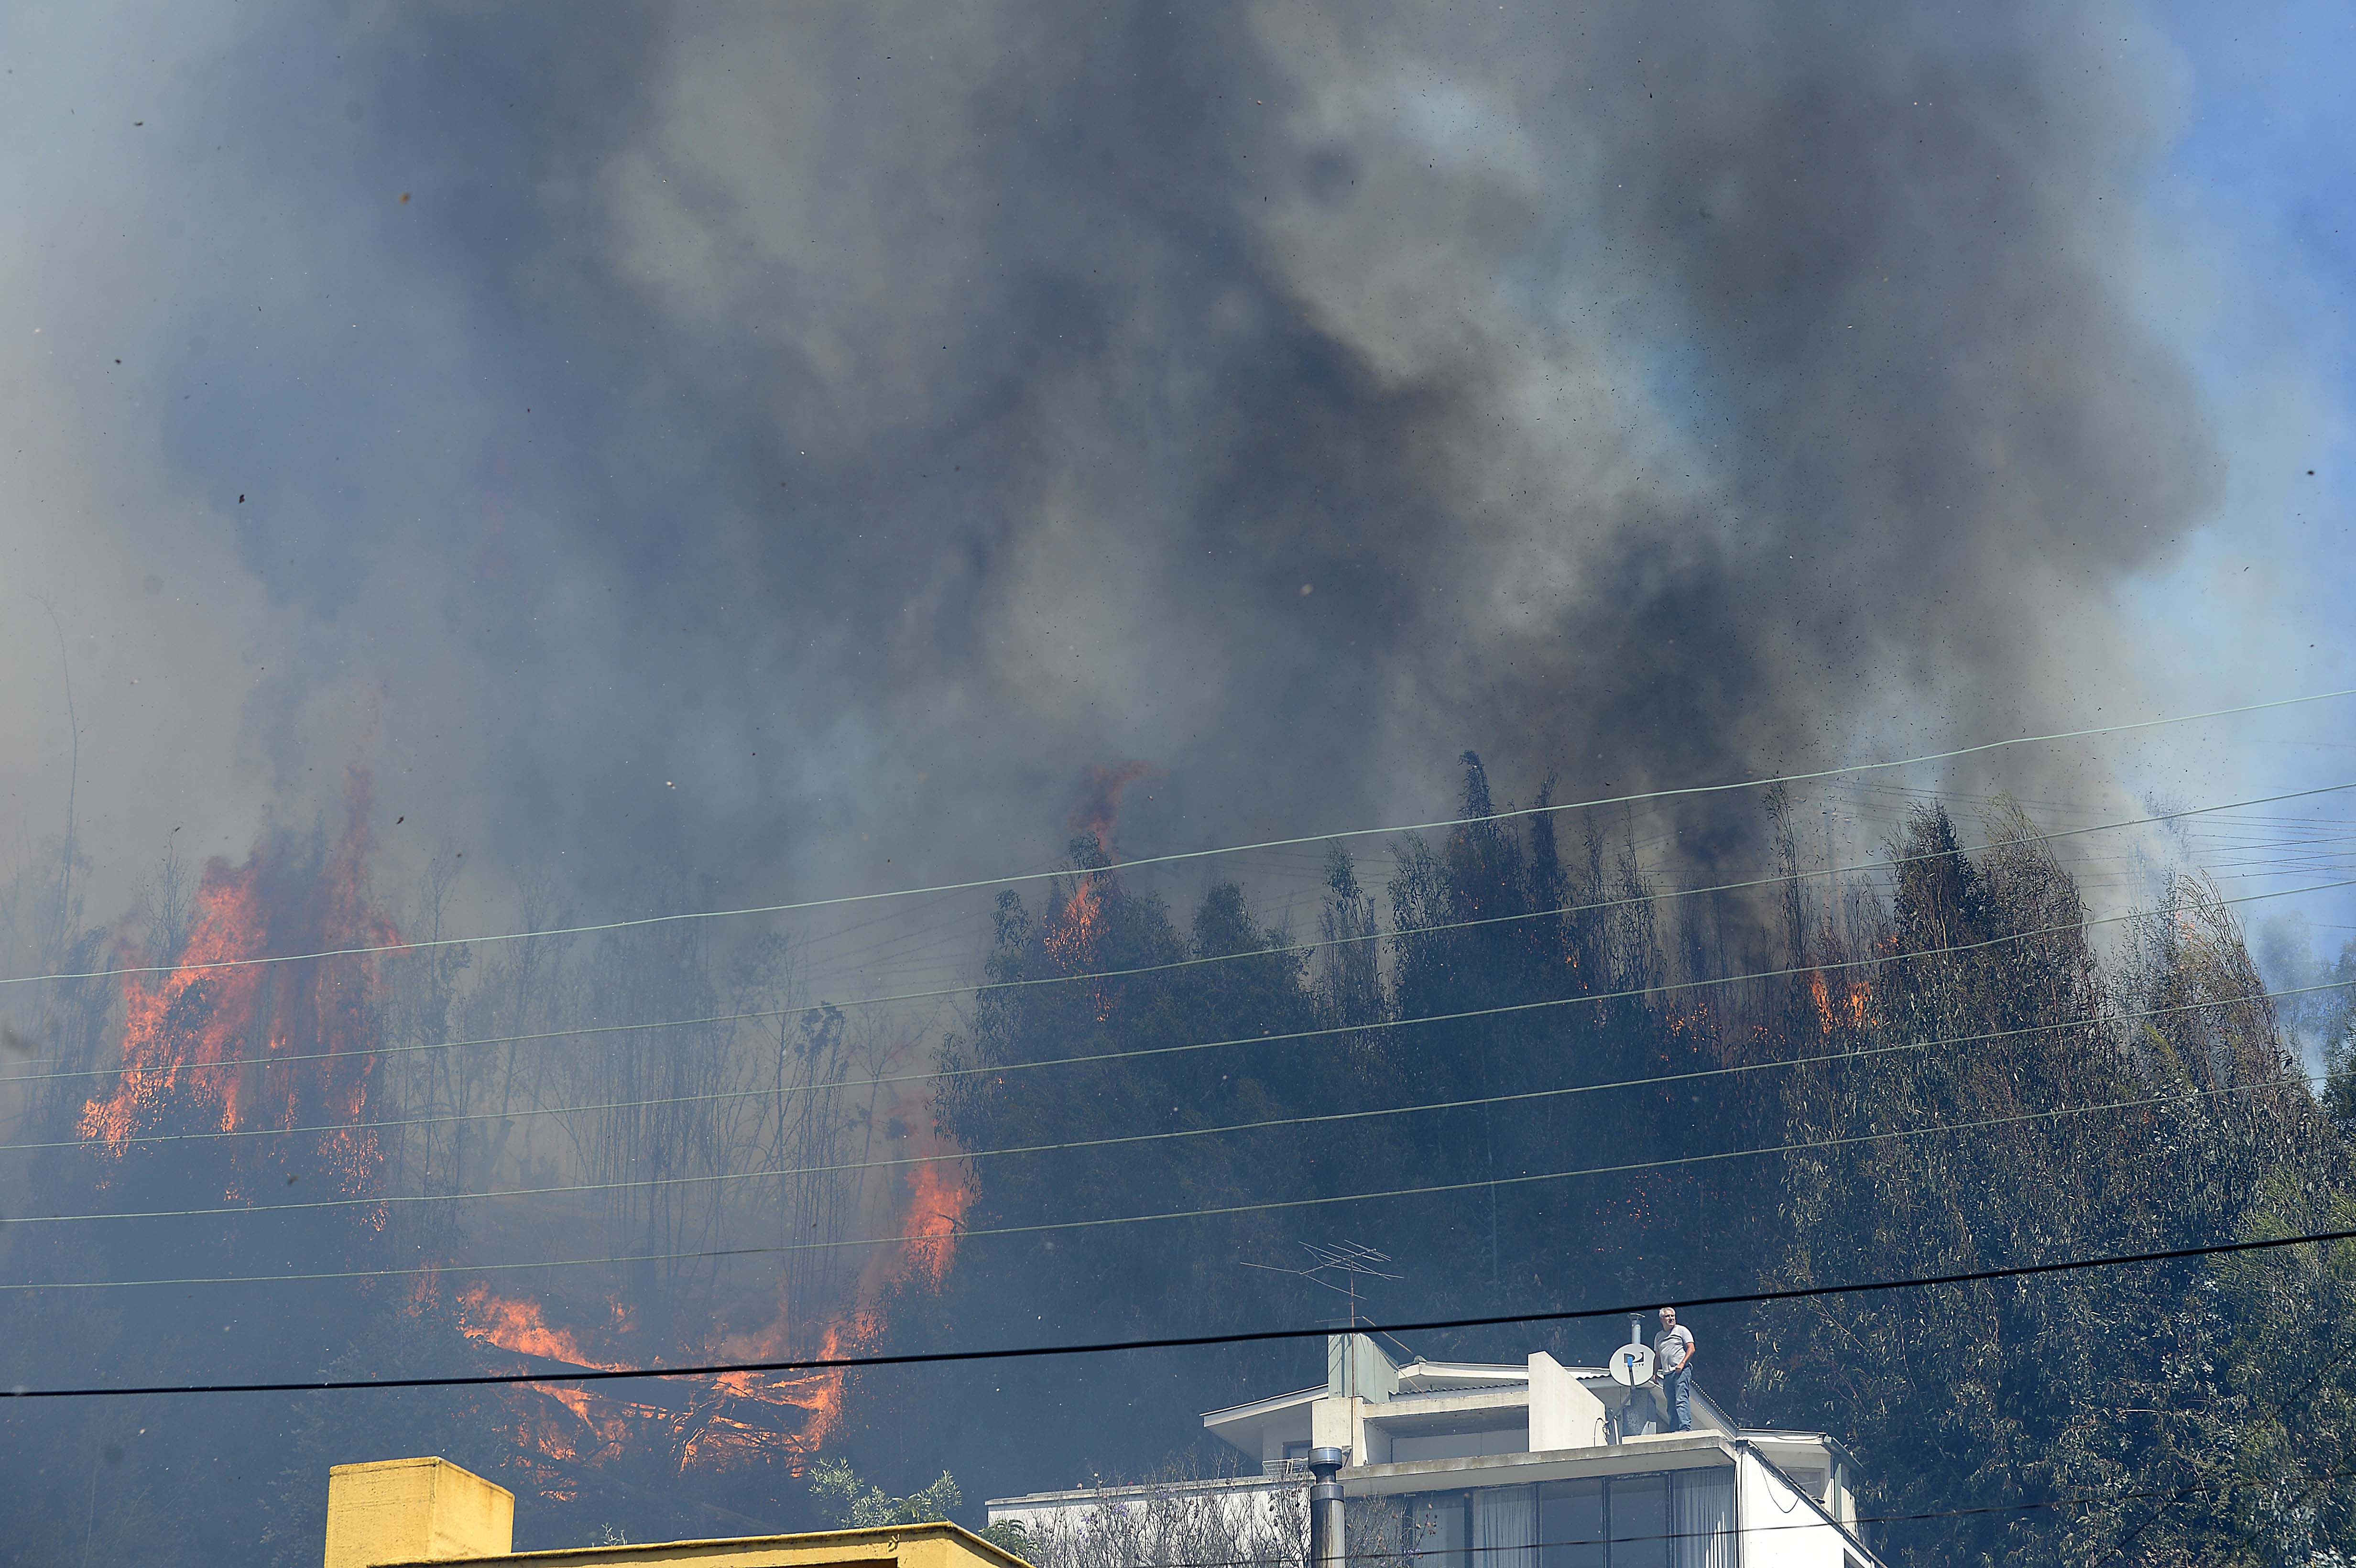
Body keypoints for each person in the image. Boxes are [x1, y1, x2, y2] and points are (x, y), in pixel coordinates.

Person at [1655, 1307, 1696, 1433]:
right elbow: (1657, 1356)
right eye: (1668, 1316)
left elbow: (1691, 1348)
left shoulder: (1681, 1330)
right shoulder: (1659, 1336)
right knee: (1671, 1404)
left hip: (1681, 1371)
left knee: (1681, 1399)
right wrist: (1654, 1373)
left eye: (1673, 1316)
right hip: (1667, 1374)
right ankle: (1674, 1430)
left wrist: (1682, 1364)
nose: (1671, 1319)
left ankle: (1685, 1428)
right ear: (1662, 1319)